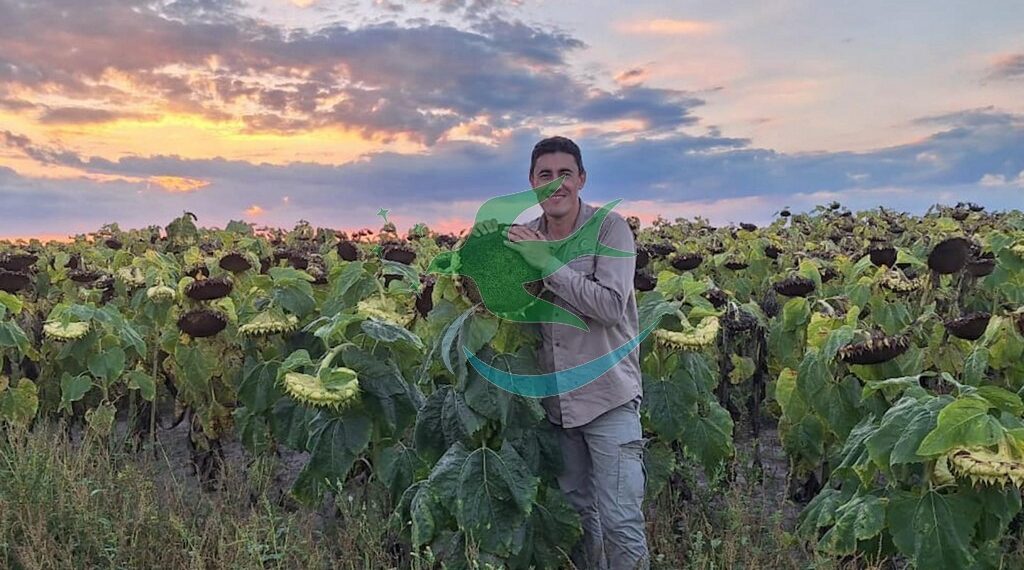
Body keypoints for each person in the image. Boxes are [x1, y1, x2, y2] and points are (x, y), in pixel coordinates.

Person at [478, 136, 650, 569]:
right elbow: (502, 302)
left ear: (582, 179)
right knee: (577, 516)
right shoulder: (525, 237)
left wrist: (547, 264)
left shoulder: (610, 230)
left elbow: (611, 307)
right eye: (545, 175)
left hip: (608, 398)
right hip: (556, 407)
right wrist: (480, 257)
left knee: (621, 522)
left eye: (565, 174)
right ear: (532, 183)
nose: (556, 184)